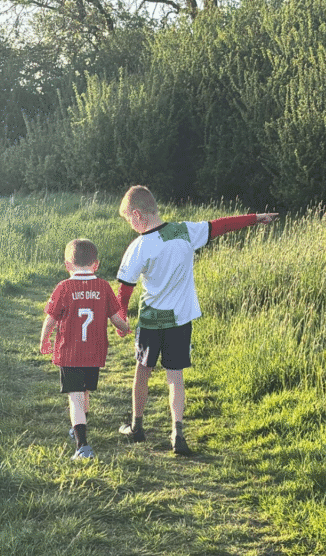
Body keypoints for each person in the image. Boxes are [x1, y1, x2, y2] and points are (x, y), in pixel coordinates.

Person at [115, 185, 279, 455]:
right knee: (175, 377)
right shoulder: (185, 231)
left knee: (142, 372)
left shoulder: (140, 246)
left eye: (129, 220)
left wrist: (121, 318)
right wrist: (256, 217)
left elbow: (124, 289)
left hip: (152, 321)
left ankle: (137, 427)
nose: (131, 226)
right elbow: (221, 226)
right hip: (180, 320)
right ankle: (177, 434)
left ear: (137, 214)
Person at [41, 238, 131, 460]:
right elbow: (117, 320)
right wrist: (125, 328)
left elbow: (51, 319)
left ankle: (82, 446)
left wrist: (44, 340)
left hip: (70, 352)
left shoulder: (64, 287)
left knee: (75, 397)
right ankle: (79, 426)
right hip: (94, 352)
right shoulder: (103, 287)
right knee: (84, 391)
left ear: (67, 265)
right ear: (96, 264)